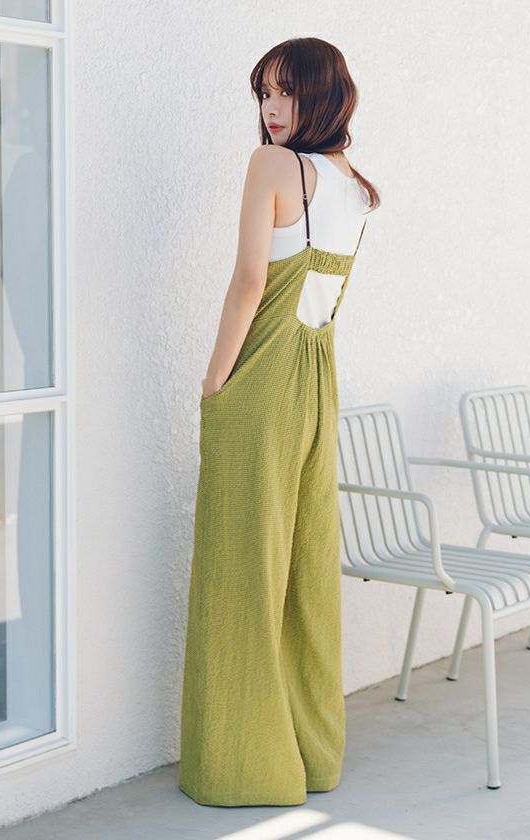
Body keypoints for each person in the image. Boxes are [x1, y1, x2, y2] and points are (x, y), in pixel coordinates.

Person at [179, 36, 380, 808]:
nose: (271, 109)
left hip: (261, 385)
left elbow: (248, 283)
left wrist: (213, 381)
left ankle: (243, 766)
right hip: (317, 386)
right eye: (264, 92)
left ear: (321, 94)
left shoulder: (273, 166)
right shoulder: (355, 187)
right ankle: (311, 754)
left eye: (287, 91)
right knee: (303, 569)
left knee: (240, 567)